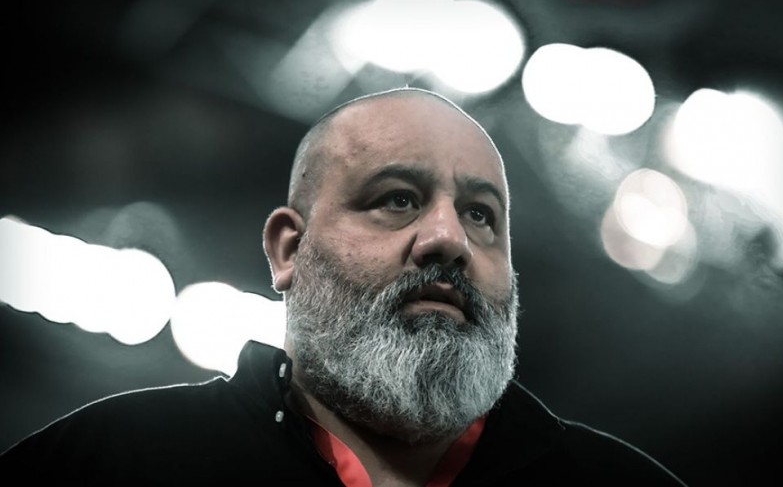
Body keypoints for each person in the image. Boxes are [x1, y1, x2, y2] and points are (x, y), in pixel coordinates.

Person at [0, 87, 687, 486]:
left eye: (481, 215)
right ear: (288, 249)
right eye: (397, 199)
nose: (448, 238)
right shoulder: (112, 464)